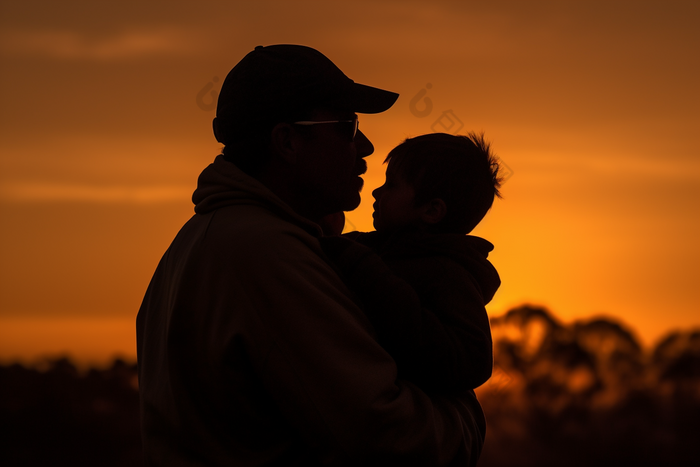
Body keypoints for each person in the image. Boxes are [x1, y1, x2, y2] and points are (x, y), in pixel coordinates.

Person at [136, 45, 485, 466]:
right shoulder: (267, 255)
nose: (367, 147)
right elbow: (389, 439)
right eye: (348, 127)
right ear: (286, 141)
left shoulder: (199, 242)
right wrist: (466, 417)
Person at [319, 133, 503, 396]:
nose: (375, 192)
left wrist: (372, 276)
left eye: (391, 185)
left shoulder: (448, 275)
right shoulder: (375, 248)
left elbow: (473, 361)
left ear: (431, 211)